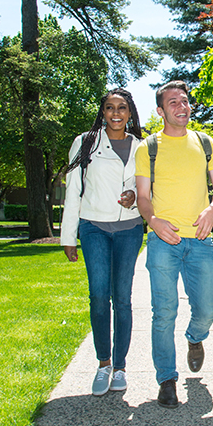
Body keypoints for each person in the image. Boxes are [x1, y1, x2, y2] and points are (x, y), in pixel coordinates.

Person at [134, 81, 213, 408]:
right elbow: (143, 197)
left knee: (205, 310)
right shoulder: (148, 148)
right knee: (164, 312)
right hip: (162, 242)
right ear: (161, 111)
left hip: (200, 241)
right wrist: (153, 221)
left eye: (185, 101)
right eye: (173, 102)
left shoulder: (204, 142)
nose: (182, 107)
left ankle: (195, 338)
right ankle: (167, 379)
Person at [60, 88, 144, 396]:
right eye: (110, 107)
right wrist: (68, 236)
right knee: (99, 296)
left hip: (129, 229)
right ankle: (103, 364)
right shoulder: (85, 143)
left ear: (130, 112)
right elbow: (73, 192)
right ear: (103, 112)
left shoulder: (141, 147)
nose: (116, 113)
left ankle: (120, 367)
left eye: (122, 108)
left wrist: (134, 196)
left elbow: (145, 187)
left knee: (122, 298)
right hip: (93, 227)